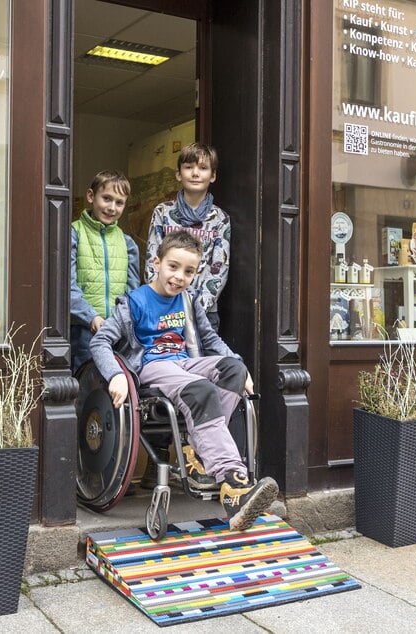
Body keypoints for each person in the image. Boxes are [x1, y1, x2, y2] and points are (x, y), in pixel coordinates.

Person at [91, 229, 278, 532]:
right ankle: (233, 483)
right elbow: (100, 343)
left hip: (185, 364)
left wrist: (243, 370)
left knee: (232, 369)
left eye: (189, 271)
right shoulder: (134, 302)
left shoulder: (189, 302)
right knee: (200, 389)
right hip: (152, 368)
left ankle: (198, 451)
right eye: (173, 267)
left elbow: (210, 339)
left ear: (196, 273)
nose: (179, 276)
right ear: (156, 262)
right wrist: (115, 375)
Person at [145, 142, 230, 332]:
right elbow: (152, 260)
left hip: (204, 312)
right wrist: (163, 300)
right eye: (188, 167)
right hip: (164, 307)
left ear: (213, 175)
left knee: (203, 362)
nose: (195, 173)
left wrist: (197, 307)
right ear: (178, 174)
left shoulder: (220, 219)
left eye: (203, 168)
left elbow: (219, 268)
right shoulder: (163, 212)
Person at [70, 169, 140, 373]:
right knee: (86, 385)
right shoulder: (74, 234)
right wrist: (90, 316)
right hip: (84, 330)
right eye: (106, 198)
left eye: (119, 202)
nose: (112, 207)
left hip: (118, 332)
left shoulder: (128, 244)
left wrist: (122, 321)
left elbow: (133, 291)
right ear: (91, 196)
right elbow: (66, 285)